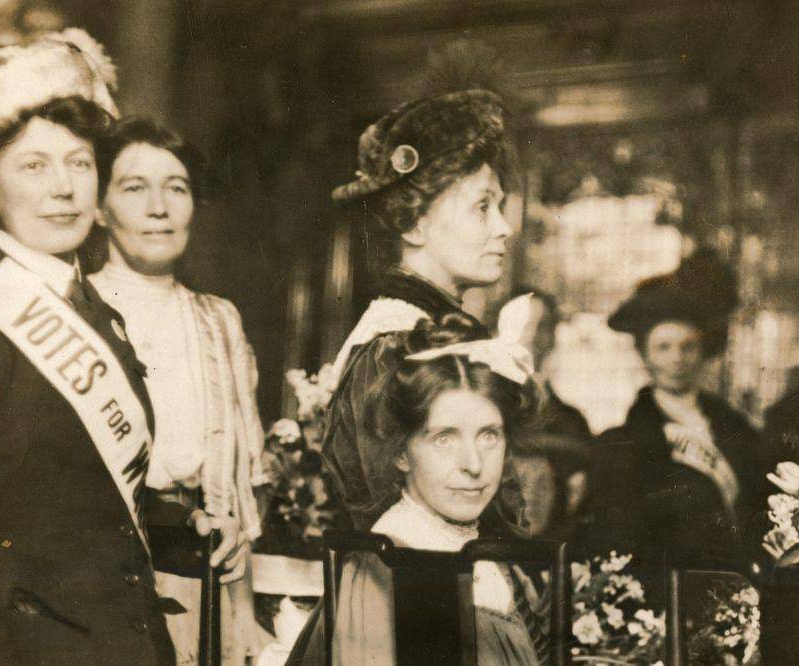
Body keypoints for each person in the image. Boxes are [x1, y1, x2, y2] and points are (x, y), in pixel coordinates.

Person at [0, 17, 238, 664]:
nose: (63, 187)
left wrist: (184, 524)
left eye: (80, 163)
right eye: (34, 165)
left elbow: (83, 498)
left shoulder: (96, 311)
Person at [89, 116, 268, 664]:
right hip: (101, 584)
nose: (159, 208)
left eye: (176, 188)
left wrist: (244, 618)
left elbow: (240, 480)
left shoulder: (219, 320)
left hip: (200, 581)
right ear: (98, 208)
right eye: (134, 188)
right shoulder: (75, 310)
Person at [324, 86, 525, 534]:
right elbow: (385, 528)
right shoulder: (394, 343)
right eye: (483, 206)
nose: (504, 227)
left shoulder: (432, 328)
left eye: (500, 206)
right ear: (414, 222)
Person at [296, 307, 545, 665]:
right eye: (445, 438)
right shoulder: (390, 564)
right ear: (400, 452)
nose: (474, 465)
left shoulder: (481, 551)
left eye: (489, 435)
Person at [577, 249, 764, 590]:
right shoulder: (623, 443)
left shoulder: (735, 428)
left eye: (688, 346)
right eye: (663, 347)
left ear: (703, 352)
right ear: (645, 356)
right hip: (665, 590)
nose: (677, 358)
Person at [506, 286, 592, 537]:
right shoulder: (479, 408)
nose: (532, 336)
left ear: (553, 337)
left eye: (542, 326)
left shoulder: (571, 420)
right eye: (521, 325)